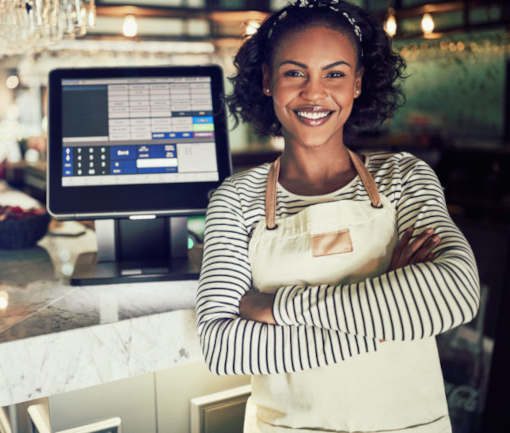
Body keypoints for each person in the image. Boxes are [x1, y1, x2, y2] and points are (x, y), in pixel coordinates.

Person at [195, 0, 480, 432]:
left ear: (357, 84)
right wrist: (391, 311)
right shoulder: (235, 200)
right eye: (295, 73)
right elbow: (223, 348)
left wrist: (278, 306)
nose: (314, 93)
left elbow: (455, 293)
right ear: (269, 81)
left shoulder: (404, 177)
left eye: (334, 74)